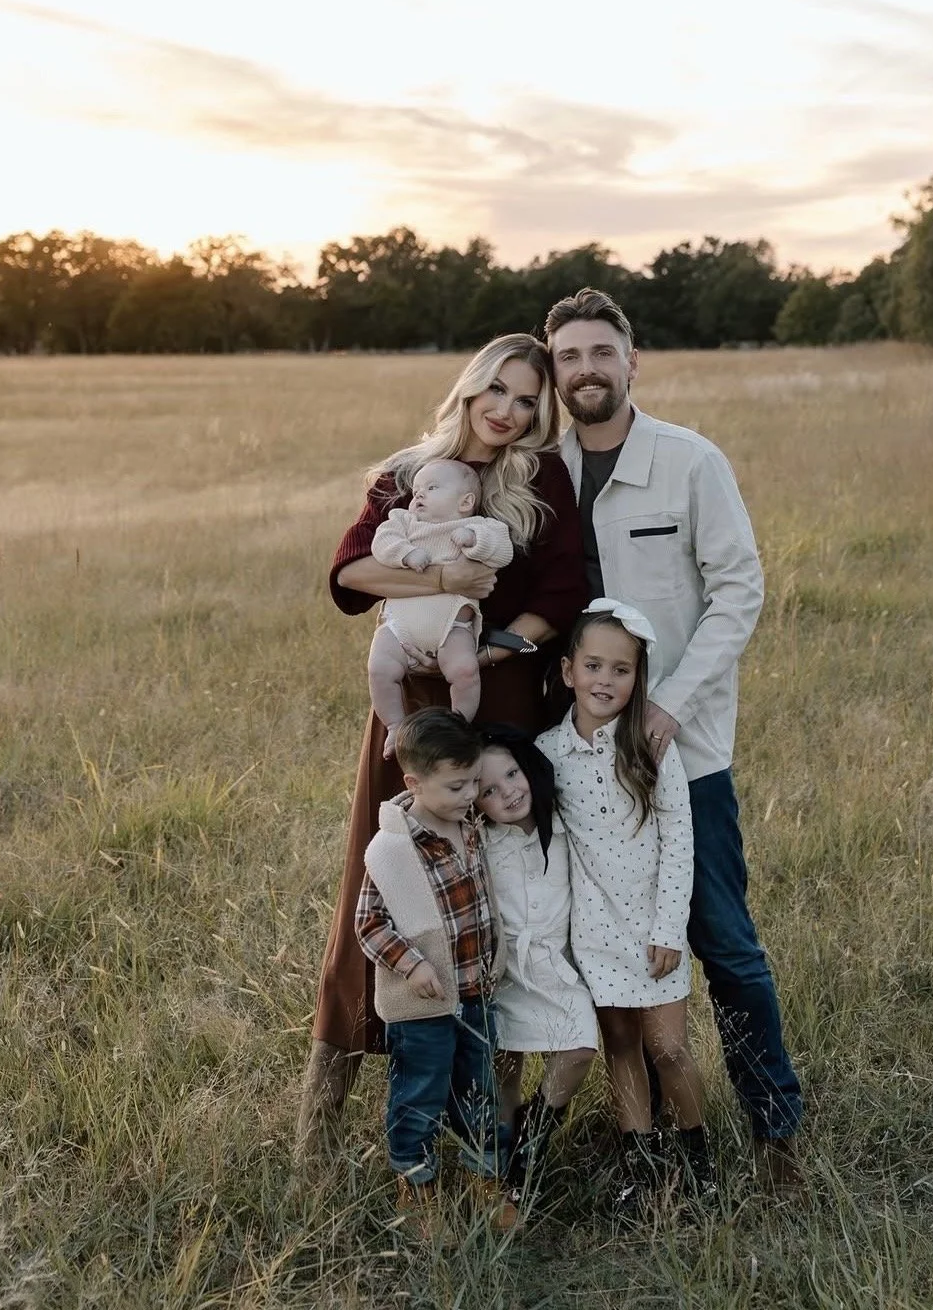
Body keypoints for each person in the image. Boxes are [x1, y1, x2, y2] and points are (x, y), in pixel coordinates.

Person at [544, 288, 805, 1193]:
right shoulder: (539, 473)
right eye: (568, 356)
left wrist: (672, 706)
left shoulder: (691, 462)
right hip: (576, 765)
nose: (585, 369)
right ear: (555, 370)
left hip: (682, 753)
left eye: (599, 353)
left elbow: (741, 590)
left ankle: (777, 1137)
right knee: (584, 944)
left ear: (632, 361)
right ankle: (634, 1142)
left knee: (723, 944)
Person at [303, 334, 588, 1133]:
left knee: (491, 888)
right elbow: (350, 574)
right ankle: (321, 1119)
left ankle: (486, 1130)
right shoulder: (406, 473)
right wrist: (440, 582)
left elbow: (563, 593)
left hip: (500, 700)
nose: (508, 411)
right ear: (469, 390)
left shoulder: (542, 479)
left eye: (528, 400)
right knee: (383, 873)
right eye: (497, 390)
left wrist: (496, 644)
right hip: (409, 706)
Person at [536, 601, 713, 1210]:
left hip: (652, 927)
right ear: (567, 672)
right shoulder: (549, 754)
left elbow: (679, 841)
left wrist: (670, 926)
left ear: (639, 679)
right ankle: (640, 1166)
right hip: (594, 931)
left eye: (621, 670)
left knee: (668, 1047)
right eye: (593, 666)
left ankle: (697, 1164)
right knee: (621, 1046)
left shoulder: (650, 746)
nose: (605, 681)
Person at [354, 708, 515, 1230]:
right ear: (414, 783)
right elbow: (369, 923)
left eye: (472, 783)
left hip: (476, 990)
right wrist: (412, 964)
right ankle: (416, 1185)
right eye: (455, 786)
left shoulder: (469, 828)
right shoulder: (393, 848)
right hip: (421, 1001)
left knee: (480, 1087)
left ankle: (483, 1178)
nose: (469, 795)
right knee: (419, 1088)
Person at [474, 722, 598, 1196]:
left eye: (511, 774)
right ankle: (508, 1173)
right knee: (505, 1070)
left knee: (579, 1045)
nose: (507, 792)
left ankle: (535, 1133)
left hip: (553, 965)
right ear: (476, 801)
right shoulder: (482, 841)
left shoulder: (564, 828)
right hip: (503, 970)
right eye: (489, 789)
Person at [368, 458, 514, 753]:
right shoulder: (404, 521)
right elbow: (382, 542)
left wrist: (473, 539)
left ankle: (460, 722)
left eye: (431, 488)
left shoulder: (480, 525)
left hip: (452, 627)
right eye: (417, 489)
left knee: (465, 671)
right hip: (399, 626)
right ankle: (395, 725)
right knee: (379, 667)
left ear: (465, 502)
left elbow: (503, 551)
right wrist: (406, 553)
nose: (419, 494)